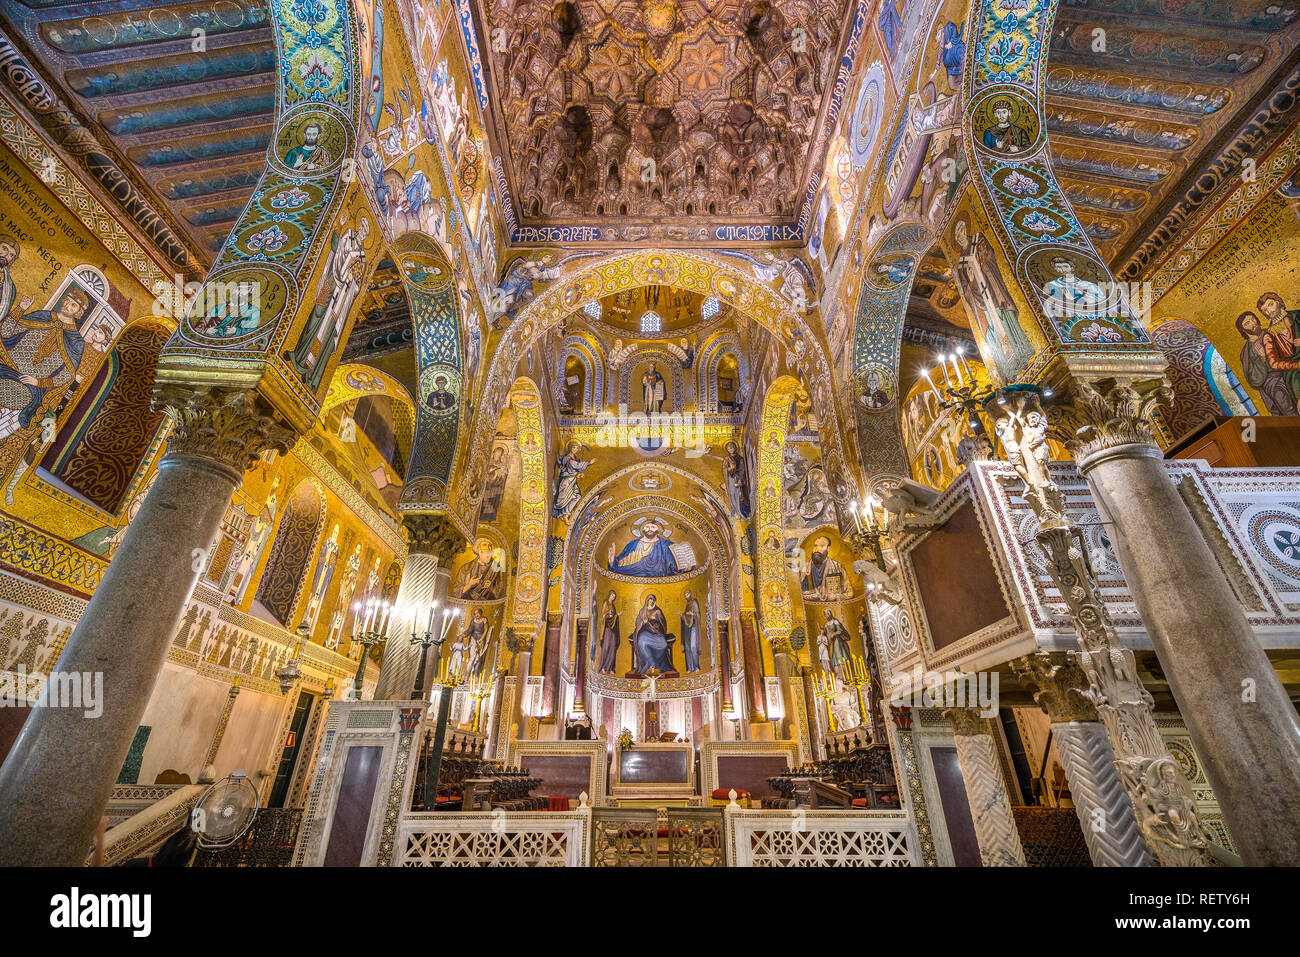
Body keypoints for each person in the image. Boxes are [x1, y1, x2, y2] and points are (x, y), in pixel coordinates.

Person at [0, 287, 89, 431]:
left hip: (29, 385)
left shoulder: (76, 342)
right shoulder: (42, 316)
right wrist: (20, 309)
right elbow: (5, 332)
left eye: (73, 305)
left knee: (20, 397)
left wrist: (38, 382)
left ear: (79, 313)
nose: (67, 305)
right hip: (6, 366)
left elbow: (66, 375)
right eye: (67, 300)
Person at [1237, 311, 1298, 415]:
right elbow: (1251, 377)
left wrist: (1267, 356)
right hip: (1269, 383)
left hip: (1285, 372)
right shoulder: (1245, 353)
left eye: (1253, 319)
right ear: (1243, 330)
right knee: (1284, 407)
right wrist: (1262, 359)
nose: (1253, 323)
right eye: (1247, 323)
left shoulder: (1272, 333)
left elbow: (1287, 352)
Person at [608, 518, 680, 577]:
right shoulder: (633, 544)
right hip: (632, 574)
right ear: (642, 529)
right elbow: (622, 560)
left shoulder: (665, 545)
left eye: (653, 527)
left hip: (660, 578)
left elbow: (674, 564)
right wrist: (612, 562)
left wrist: (683, 569)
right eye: (647, 527)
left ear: (658, 530)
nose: (649, 529)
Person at [629, 594, 676, 676]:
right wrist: (644, 622)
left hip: (656, 631)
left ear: (654, 601)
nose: (650, 601)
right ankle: (650, 664)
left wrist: (655, 619)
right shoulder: (643, 611)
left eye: (652, 600)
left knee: (664, 644)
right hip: (645, 631)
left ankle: (658, 665)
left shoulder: (657, 611)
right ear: (646, 601)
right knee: (641, 641)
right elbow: (637, 622)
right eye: (649, 600)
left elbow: (663, 622)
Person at [801, 536, 852, 602]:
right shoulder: (805, 568)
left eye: (822, 546)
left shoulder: (838, 567)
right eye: (815, 546)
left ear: (828, 548)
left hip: (833, 606)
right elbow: (798, 593)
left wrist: (836, 597)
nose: (817, 549)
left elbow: (850, 593)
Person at [551, 441, 591, 519]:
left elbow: (576, 469)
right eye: (574, 447)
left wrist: (579, 473)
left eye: (577, 448)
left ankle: (566, 514)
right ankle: (562, 514)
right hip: (567, 481)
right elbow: (575, 466)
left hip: (572, 480)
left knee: (577, 496)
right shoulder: (567, 458)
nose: (575, 449)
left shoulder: (576, 458)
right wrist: (589, 463)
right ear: (570, 448)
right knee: (564, 499)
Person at [593, 590, 620, 674]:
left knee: (613, 647)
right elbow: (603, 615)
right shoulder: (606, 603)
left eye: (614, 596)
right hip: (607, 628)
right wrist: (610, 615)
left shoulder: (613, 605)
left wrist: (616, 615)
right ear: (609, 595)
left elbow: (613, 616)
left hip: (613, 629)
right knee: (606, 647)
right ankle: (603, 667)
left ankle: (610, 667)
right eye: (612, 595)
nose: (613, 597)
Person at [680, 590, 702, 672]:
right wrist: (682, 615)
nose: (686, 595)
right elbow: (686, 616)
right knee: (687, 647)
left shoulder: (694, 602)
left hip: (693, 627)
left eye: (687, 593)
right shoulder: (687, 604)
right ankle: (689, 668)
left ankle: (696, 666)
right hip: (687, 627)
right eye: (685, 594)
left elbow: (698, 615)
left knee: (693, 646)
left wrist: (692, 614)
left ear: (690, 594)